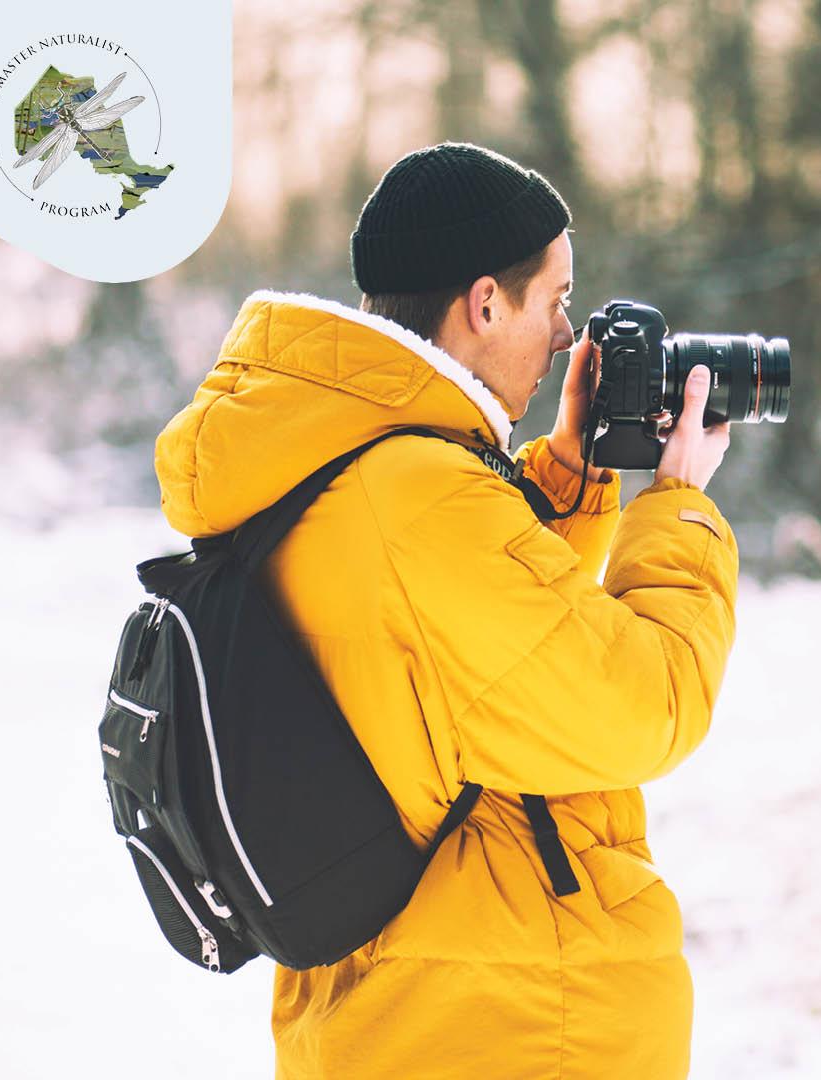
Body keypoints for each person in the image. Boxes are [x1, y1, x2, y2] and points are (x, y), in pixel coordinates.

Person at [155, 141, 738, 1079]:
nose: (564, 336)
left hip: (407, 1007)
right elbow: (645, 707)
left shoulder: (340, 457)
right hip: (497, 1026)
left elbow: (456, 647)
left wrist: (577, 464)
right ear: (483, 302)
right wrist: (679, 507)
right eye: (556, 303)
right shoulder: (420, 493)